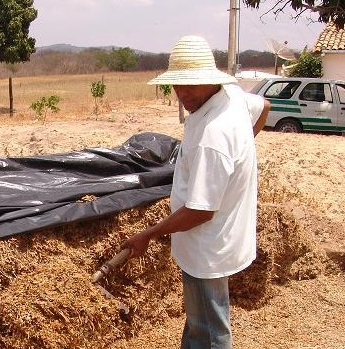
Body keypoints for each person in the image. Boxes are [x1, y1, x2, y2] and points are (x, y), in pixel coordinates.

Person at [122, 35, 270, 349]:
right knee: (201, 316)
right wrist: (238, 156)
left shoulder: (214, 135)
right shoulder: (230, 96)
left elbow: (202, 210)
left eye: (190, 85)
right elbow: (264, 106)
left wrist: (149, 233)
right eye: (178, 85)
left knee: (211, 332)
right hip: (218, 238)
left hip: (208, 245)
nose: (182, 94)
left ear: (208, 80)